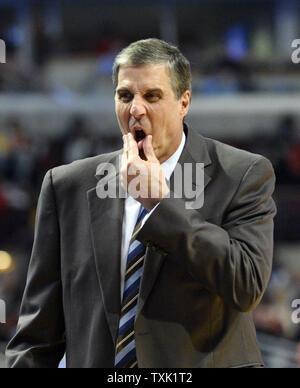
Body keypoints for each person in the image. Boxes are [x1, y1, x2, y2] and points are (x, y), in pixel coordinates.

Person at [6, 38, 276, 368]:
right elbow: (37, 335)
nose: (135, 108)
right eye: (125, 95)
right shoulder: (66, 187)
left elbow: (246, 285)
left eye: (152, 96)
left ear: (184, 102)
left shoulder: (241, 174)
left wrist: (161, 205)